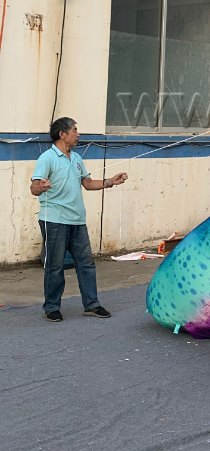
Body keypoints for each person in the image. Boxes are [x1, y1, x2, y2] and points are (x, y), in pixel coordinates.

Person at [30, 117, 128, 322]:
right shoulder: (47, 158)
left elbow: (88, 183)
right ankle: (52, 307)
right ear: (62, 134)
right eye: (74, 130)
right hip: (54, 220)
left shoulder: (76, 158)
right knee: (55, 266)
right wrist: (41, 187)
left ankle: (92, 305)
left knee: (86, 264)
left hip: (77, 220)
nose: (78, 134)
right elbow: (34, 188)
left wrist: (110, 182)